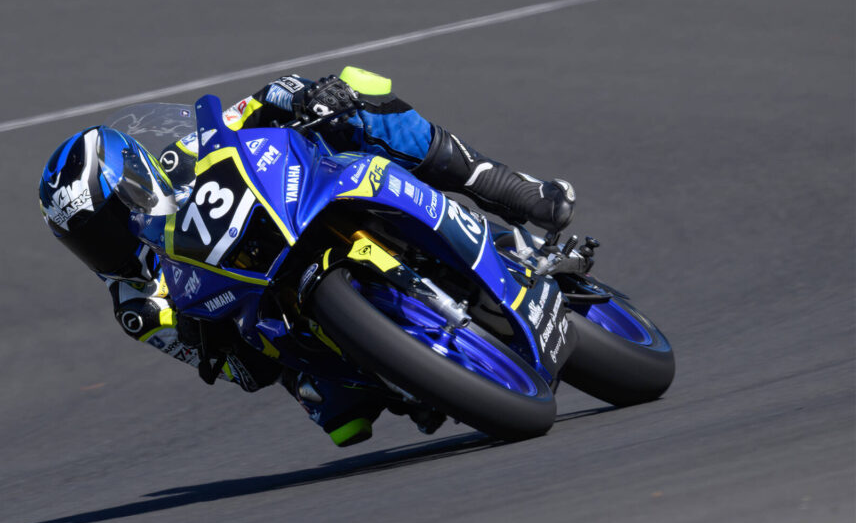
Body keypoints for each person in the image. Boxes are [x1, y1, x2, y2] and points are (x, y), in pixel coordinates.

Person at [39, 67, 575, 447]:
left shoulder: (182, 156)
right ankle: (414, 371)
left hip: (300, 208)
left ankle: (506, 186)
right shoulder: (136, 303)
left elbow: (258, 102)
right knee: (338, 412)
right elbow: (244, 375)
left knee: (360, 93)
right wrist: (203, 340)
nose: (106, 246)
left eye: (107, 223)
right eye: (86, 241)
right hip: (282, 326)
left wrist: (305, 95)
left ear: (135, 180)